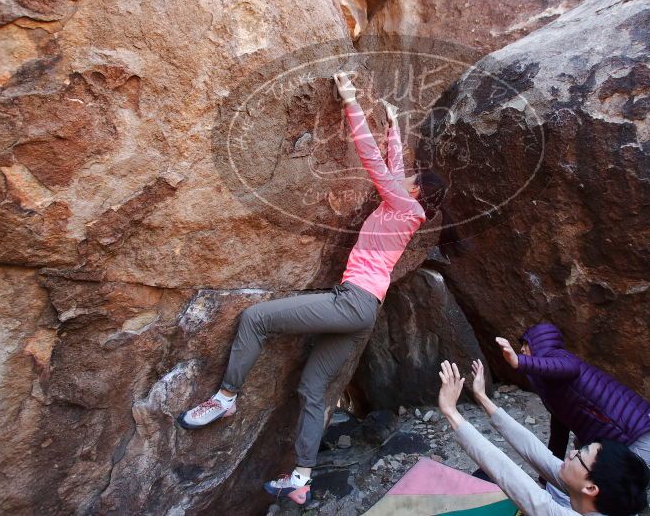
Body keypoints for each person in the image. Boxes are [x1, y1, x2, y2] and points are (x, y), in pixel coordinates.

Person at [177, 72, 450, 506]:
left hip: (352, 301)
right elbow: (394, 167)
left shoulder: (402, 204)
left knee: (256, 319)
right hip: (364, 310)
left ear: (415, 191)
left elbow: (374, 163)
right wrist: (395, 126)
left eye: (412, 177)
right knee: (311, 390)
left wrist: (350, 101)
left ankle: (226, 396)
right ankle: (301, 477)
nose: (404, 175)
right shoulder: (406, 207)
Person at [438, 359, 650, 516]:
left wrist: (451, 412)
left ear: (591, 489)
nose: (572, 452)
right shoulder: (600, 501)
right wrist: (483, 398)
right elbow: (535, 451)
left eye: (580, 455)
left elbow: (508, 474)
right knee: (485, 476)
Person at [495, 323, 650, 507]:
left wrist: (519, 362)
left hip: (639, 439)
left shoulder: (561, 359)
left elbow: (569, 366)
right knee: (577, 462)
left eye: (526, 345)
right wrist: (545, 478)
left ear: (540, 345)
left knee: (586, 488)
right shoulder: (553, 388)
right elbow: (559, 434)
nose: (521, 350)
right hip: (627, 439)